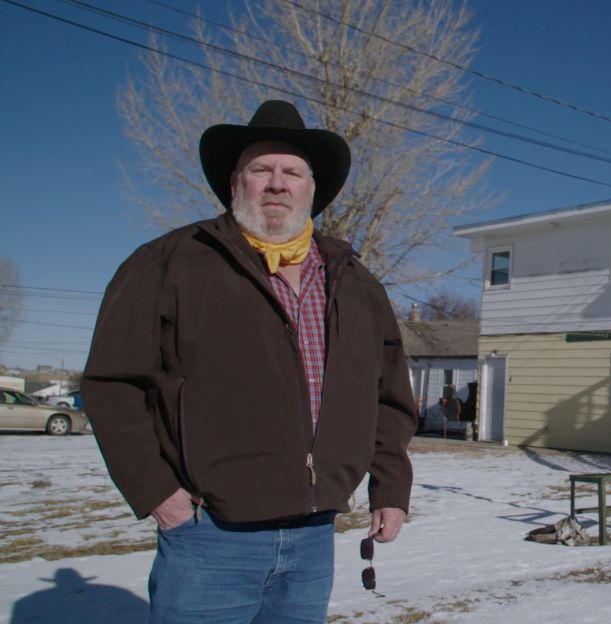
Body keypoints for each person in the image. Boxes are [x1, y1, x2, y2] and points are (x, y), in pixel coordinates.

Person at [83, 100, 418, 623]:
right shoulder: (167, 263)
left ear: (313, 188)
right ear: (235, 181)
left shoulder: (354, 282)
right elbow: (112, 384)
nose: (277, 183)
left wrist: (391, 488)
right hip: (210, 537)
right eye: (261, 169)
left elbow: (389, 396)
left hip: (313, 538)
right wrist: (159, 496)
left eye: (293, 172)